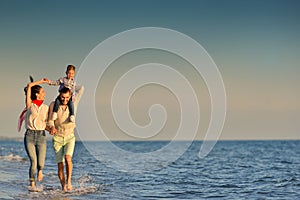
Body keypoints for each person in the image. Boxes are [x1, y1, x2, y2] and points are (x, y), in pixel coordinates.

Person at [48, 87, 82, 191]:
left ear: (70, 96)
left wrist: (71, 84)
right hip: (58, 138)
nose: (65, 100)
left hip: (69, 137)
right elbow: (50, 121)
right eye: (63, 97)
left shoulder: (73, 105)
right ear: (59, 95)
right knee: (60, 164)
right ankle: (63, 187)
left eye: (67, 97)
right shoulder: (53, 105)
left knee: (68, 158)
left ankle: (69, 182)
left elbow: (81, 90)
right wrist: (52, 127)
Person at [23, 78, 50, 189]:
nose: (44, 94)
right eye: (42, 92)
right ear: (37, 95)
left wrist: (52, 130)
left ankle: (40, 171)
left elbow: (45, 124)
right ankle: (32, 184)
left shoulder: (46, 108)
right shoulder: (30, 105)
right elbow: (29, 85)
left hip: (41, 136)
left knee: (41, 163)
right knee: (33, 161)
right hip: (29, 135)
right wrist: (41, 81)